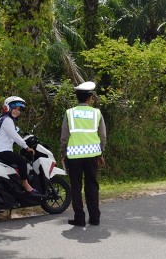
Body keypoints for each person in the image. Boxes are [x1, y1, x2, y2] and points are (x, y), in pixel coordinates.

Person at [60, 81, 107, 227]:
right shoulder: (96, 113)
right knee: (92, 186)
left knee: (76, 187)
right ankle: (94, 218)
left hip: (74, 156)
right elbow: (103, 136)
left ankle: (79, 218)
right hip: (92, 155)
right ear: (90, 98)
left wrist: (63, 152)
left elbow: (64, 137)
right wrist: (101, 153)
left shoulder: (70, 113)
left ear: (78, 97)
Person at [0, 96, 36, 193]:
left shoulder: (2, 119)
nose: (17, 111)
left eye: (19, 109)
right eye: (14, 108)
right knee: (21, 160)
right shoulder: (7, 120)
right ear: (7, 107)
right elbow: (15, 136)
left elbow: (12, 135)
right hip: (1, 151)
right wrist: (26, 147)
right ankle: (26, 185)